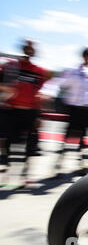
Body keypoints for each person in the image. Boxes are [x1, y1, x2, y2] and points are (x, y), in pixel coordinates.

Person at [39, 47, 88, 172]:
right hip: (76, 109)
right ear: (83, 56)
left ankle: (85, 163)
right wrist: (47, 92)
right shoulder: (72, 71)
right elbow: (57, 82)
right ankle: (58, 164)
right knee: (70, 136)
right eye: (87, 54)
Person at [0, 39, 49, 174]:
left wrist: (39, 114)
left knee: (28, 145)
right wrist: (5, 88)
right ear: (22, 49)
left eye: (32, 48)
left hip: (30, 112)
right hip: (10, 110)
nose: (29, 50)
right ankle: (4, 160)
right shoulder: (10, 66)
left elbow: (40, 92)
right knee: (5, 138)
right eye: (27, 47)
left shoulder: (39, 71)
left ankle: (25, 173)